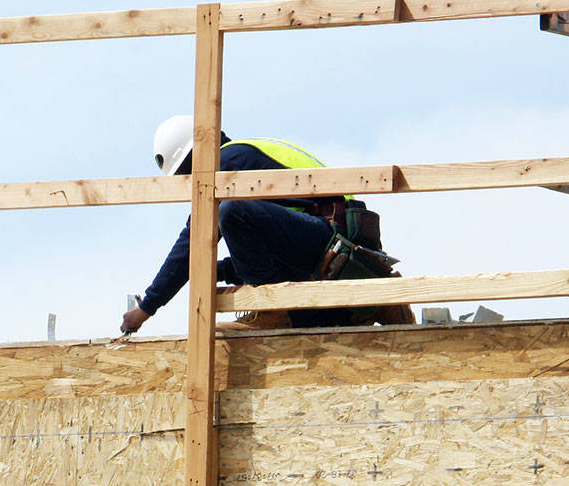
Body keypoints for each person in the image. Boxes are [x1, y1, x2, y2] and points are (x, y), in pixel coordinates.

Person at [122, 115, 395, 335]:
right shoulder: (244, 155)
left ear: (195, 159)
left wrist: (148, 306)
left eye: (186, 175)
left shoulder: (227, 162)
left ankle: (270, 310)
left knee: (233, 212)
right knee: (207, 267)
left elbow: (192, 239)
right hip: (328, 240)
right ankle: (373, 309)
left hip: (334, 240)